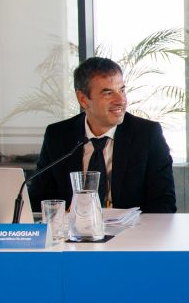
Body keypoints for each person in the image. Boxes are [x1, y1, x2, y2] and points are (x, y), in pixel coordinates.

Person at [30, 56, 177, 213]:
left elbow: (164, 204)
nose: (120, 100)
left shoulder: (147, 134)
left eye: (122, 90)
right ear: (83, 99)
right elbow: (38, 200)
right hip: (74, 227)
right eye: (108, 93)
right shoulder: (58, 135)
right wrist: (65, 215)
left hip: (132, 227)